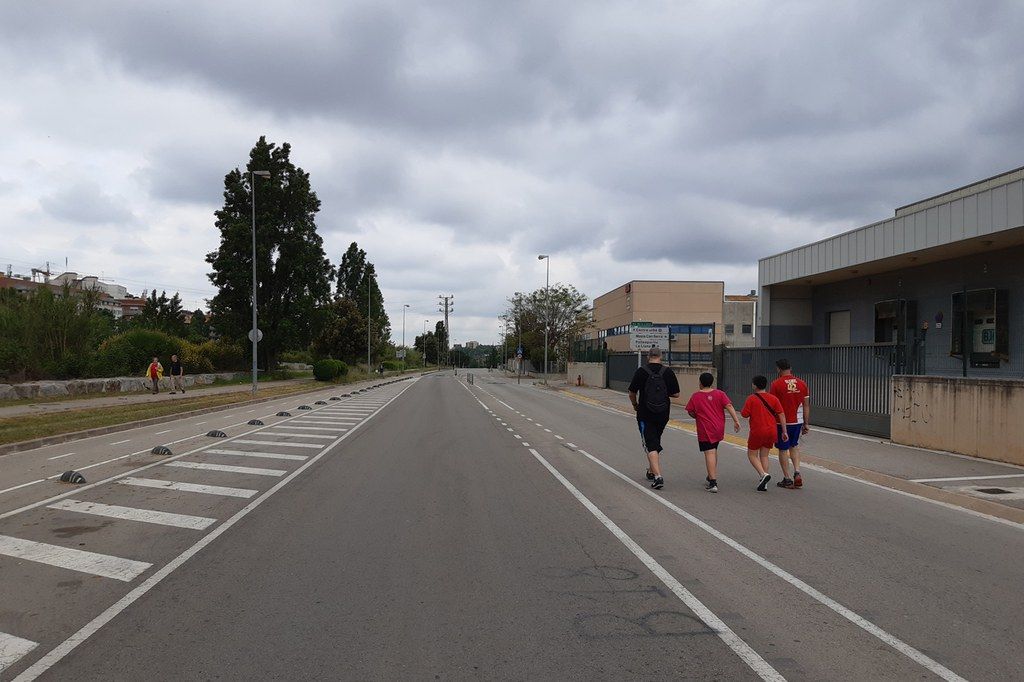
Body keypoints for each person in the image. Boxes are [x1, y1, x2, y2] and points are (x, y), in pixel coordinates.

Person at [628, 347, 681, 490]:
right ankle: (651, 470)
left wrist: (635, 404)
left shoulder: (641, 371)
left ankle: (658, 477)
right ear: (661, 357)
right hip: (663, 413)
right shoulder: (667, 372)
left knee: (650, 443)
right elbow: (676, 394)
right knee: (655, 440)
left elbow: (632, 392)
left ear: (648, 356)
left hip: (645, 413)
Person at [685, 372, 740, 493]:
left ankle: (713, 482)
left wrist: (696, 416)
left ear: (700, 382)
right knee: (714, 450)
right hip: (719, 428)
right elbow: (729, 406)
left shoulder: (696, 396)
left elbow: (690, 411)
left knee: (709, 452)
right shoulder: (720, 394)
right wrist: (736, 421)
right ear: (712, 382)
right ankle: (711, 474)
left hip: (705, 428)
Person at [740, 375, 787, 492]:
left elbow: (744, 414)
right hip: (771, 430)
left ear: (754, 385)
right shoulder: (774, 399)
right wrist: (784, 431)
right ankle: (764, 482)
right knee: (764, 455)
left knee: (752, 455)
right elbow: (781, 414)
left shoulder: (751, 398)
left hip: (757, 430)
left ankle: (763, 475)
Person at [770, 358, 810, 489]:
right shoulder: (802, 383)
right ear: (790, 368)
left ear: (778, 369)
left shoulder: (776, 384)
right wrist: (806, 423)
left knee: (783, 449)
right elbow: (806, 405)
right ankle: (797, 471)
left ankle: (787, 478)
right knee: (794, 446)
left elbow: (773, 405)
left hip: (781, 423)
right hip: (797, 421)